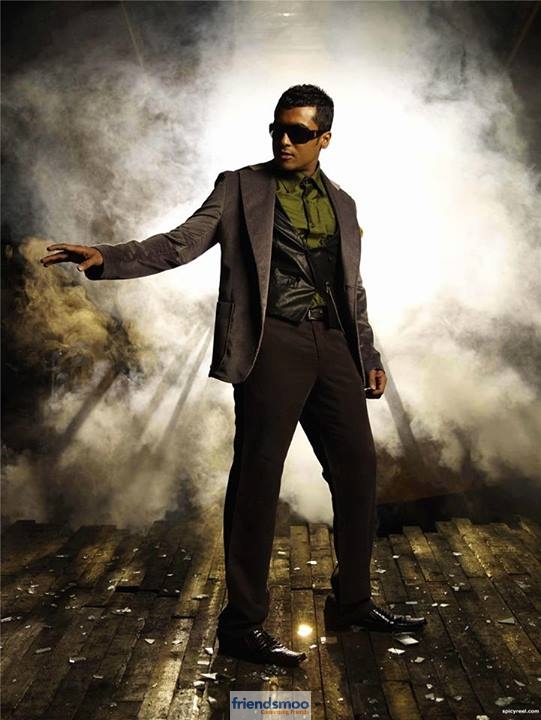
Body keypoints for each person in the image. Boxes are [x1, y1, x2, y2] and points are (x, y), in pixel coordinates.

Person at [40, 84, 426, 667]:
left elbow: (353, 290)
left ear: (325, 138)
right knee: (256, 484)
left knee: (358, 475)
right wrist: (107, 257)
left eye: (299, 132)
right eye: (277, 129)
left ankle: (352, 603)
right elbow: (179, 244)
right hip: (272, 344)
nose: (284, 141)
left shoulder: (343, 204)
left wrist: (367, 354)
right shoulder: (240, 186)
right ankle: (243, 625)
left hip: (334, 347)